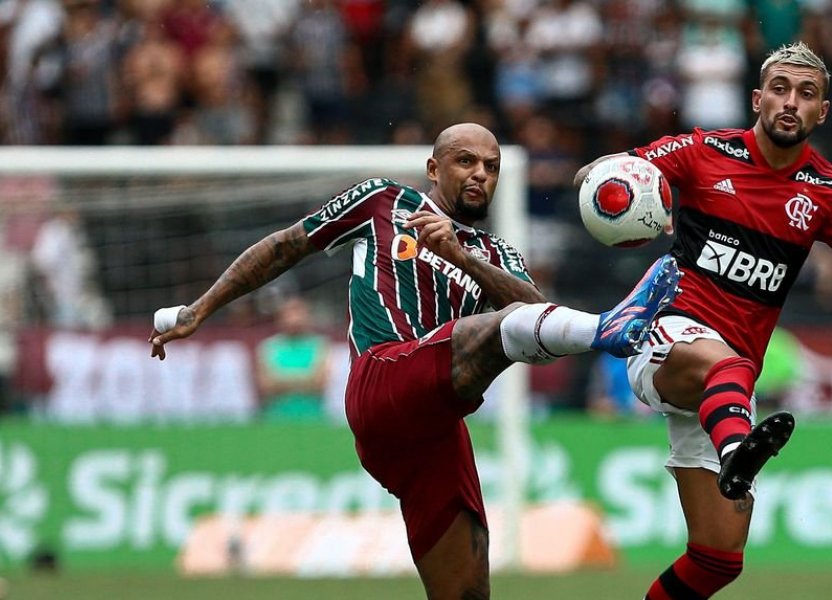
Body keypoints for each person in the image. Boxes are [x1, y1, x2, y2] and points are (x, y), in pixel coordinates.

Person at [149, 123, 682, 599]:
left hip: (436, 426)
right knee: (483, 331)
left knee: (466, 591)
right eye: (465, 161)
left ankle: (605, 328)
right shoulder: (383, 201)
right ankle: (607, 328)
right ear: (433, 168)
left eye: (491, 166)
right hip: (381, 381)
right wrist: (201, 308)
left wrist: (460, 257)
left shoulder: (497, 254)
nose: (480, 174)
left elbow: (535, 316)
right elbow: (287, 246)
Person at [575, 42, 832, 600]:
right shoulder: (702, 150)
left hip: (724, 390)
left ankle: (734, 449)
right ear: (757, 99)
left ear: (823, 111)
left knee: (718, 560)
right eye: (780, 89)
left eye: (806, 93)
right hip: (668, 338)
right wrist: (606, 181)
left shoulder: (829, 191)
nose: (791, 102)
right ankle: (737, 453)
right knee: (724, 366)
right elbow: (608, 175)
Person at [256, 297, 329, 423]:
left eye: (298, 313)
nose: (294, 319)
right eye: (289, 314)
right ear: (280, 318)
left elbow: (319, 384)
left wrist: (281, 381)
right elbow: (266, 387)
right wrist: (305, 380)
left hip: (312, 419)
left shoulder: (319, 345)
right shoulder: (268, 347)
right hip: (275, 419)